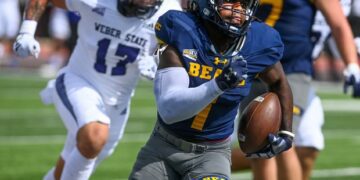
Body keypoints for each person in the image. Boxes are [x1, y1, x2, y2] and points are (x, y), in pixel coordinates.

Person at [12, 0, 181, 179]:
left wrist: (159, 59)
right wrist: (26, 31)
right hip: (78, 81)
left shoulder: (170, 13)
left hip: (117, 106)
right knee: (95, 137)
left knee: (68, 166)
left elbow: (183, 49)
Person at [129, 0, 295, 179]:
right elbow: (170, 111)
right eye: (230, 2)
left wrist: (286, 132)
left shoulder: (259, 42)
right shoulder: (182, 30)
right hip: (163, 147)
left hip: (212, 153)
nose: (239, 10)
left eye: (244, 4)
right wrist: (219, 84)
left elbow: (279, 83)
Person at [231, 0, 360, 179]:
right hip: (254, 64)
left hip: (291, 67)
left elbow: (338, 23)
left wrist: (352, 65)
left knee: (282, 139)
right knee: (257, 141)